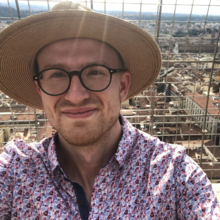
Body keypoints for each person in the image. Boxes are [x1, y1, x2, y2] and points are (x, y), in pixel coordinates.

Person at [0, 1, 219, 219]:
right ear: (39, 89)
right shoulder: (14, 171)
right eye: (56, 74)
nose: (76, 96)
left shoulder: (177, 176)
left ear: (123, 86)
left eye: (95, 72)